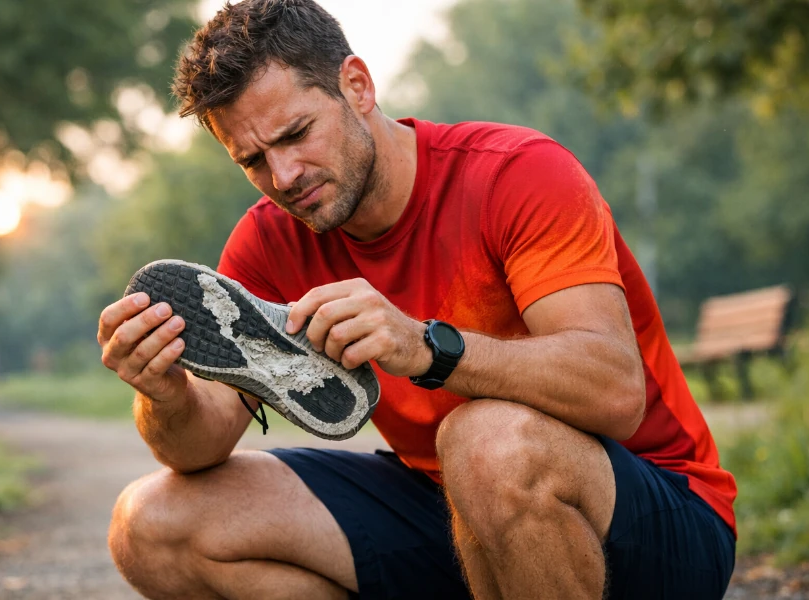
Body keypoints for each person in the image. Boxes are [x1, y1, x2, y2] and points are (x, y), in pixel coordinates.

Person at [97, 1, 737, 598]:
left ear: (357, 86)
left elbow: (616, 392)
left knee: (482, 441)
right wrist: (165, 395)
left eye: (296, 134)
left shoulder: (516, 174)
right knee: (149, 524)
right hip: (454, 512)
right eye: (253, 160)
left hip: (655, 510)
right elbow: (198, 447)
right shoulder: (269, 240)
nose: (283, 176)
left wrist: (427, 347)